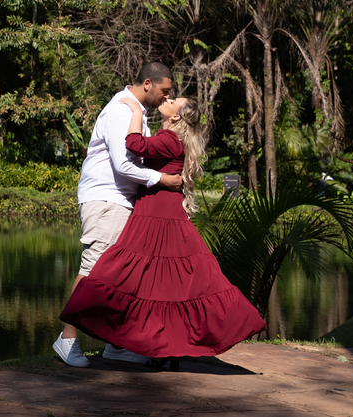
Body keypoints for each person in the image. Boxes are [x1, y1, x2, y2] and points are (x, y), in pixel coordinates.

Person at [59, 96, 266, 368]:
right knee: (151, 278)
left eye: (174, 100)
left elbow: (133, 145)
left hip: (157, 212)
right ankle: (130, 343)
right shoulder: (169, 137)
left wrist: (135, 111)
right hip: (157, 210)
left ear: (176, 116)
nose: (168, 99)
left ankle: (119, 339)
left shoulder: (169, 139)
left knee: (141, 274)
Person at [52, 62, 184, 368]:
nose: (167, 98)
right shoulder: (120, 111)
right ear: (148, 84)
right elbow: (123, 166)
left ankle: (117, 344)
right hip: (105, 200)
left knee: (124, 272)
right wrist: (161, 180)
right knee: (94, 265)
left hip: (123, 201)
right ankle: (67, 339)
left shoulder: (137, 112)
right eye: (165, 91)